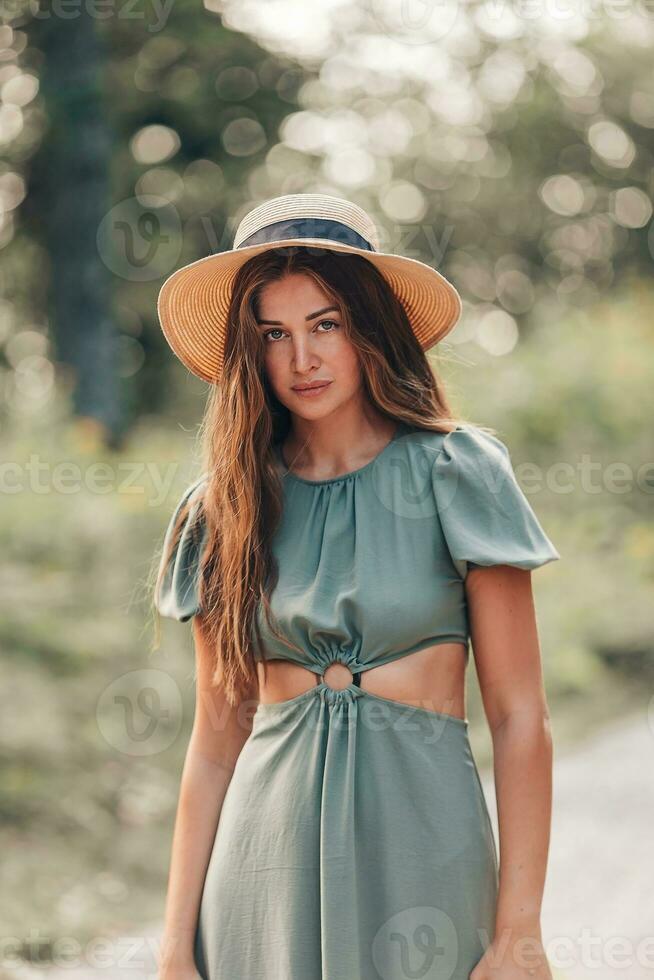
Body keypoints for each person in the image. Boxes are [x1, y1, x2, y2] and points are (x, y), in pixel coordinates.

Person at [152, 193, 560, 980]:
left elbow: (519, 718)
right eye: (274, 334)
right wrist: (174, 947)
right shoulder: (222, 509)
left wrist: (521, 931)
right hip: (259, 872)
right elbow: (214, 742)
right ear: (251, 352)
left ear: (369, 327)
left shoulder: (458, 474)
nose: (301, 358)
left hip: (426, 860)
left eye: (325, 324)